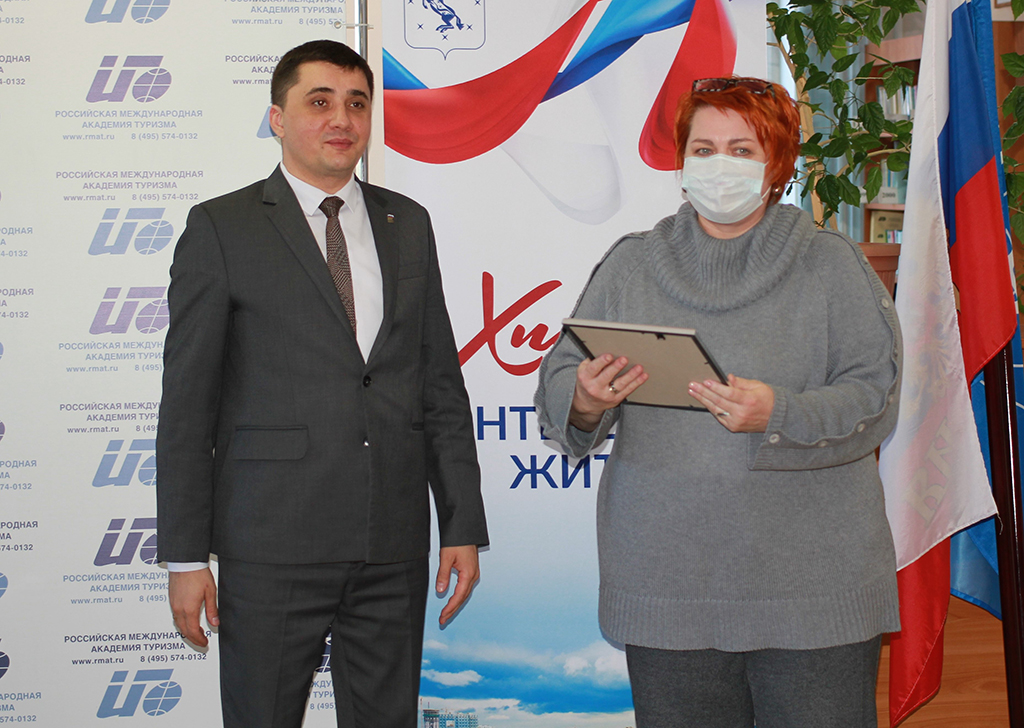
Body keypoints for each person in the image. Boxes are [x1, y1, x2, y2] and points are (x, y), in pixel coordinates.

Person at [534, 77, 901, 727]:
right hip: (667, 587)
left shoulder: (832, 265)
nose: (719, 165)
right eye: (702, 149)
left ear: (778, 164)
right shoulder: (631, 264)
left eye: (742, 149)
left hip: (814, 594)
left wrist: (779, 414)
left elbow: (875, 398)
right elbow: (562, 379)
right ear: (681, 162)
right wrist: (585, 398)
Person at [155, 39, 488, 728]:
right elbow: (187, 407)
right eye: (320, 102)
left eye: (357, 104)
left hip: (391, 543)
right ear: (277, 118)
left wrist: (461, 523)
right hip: (271, 545)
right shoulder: (221, 228)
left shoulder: (408, 223)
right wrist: (185, 557)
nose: (342, 119)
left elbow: (439, 386)